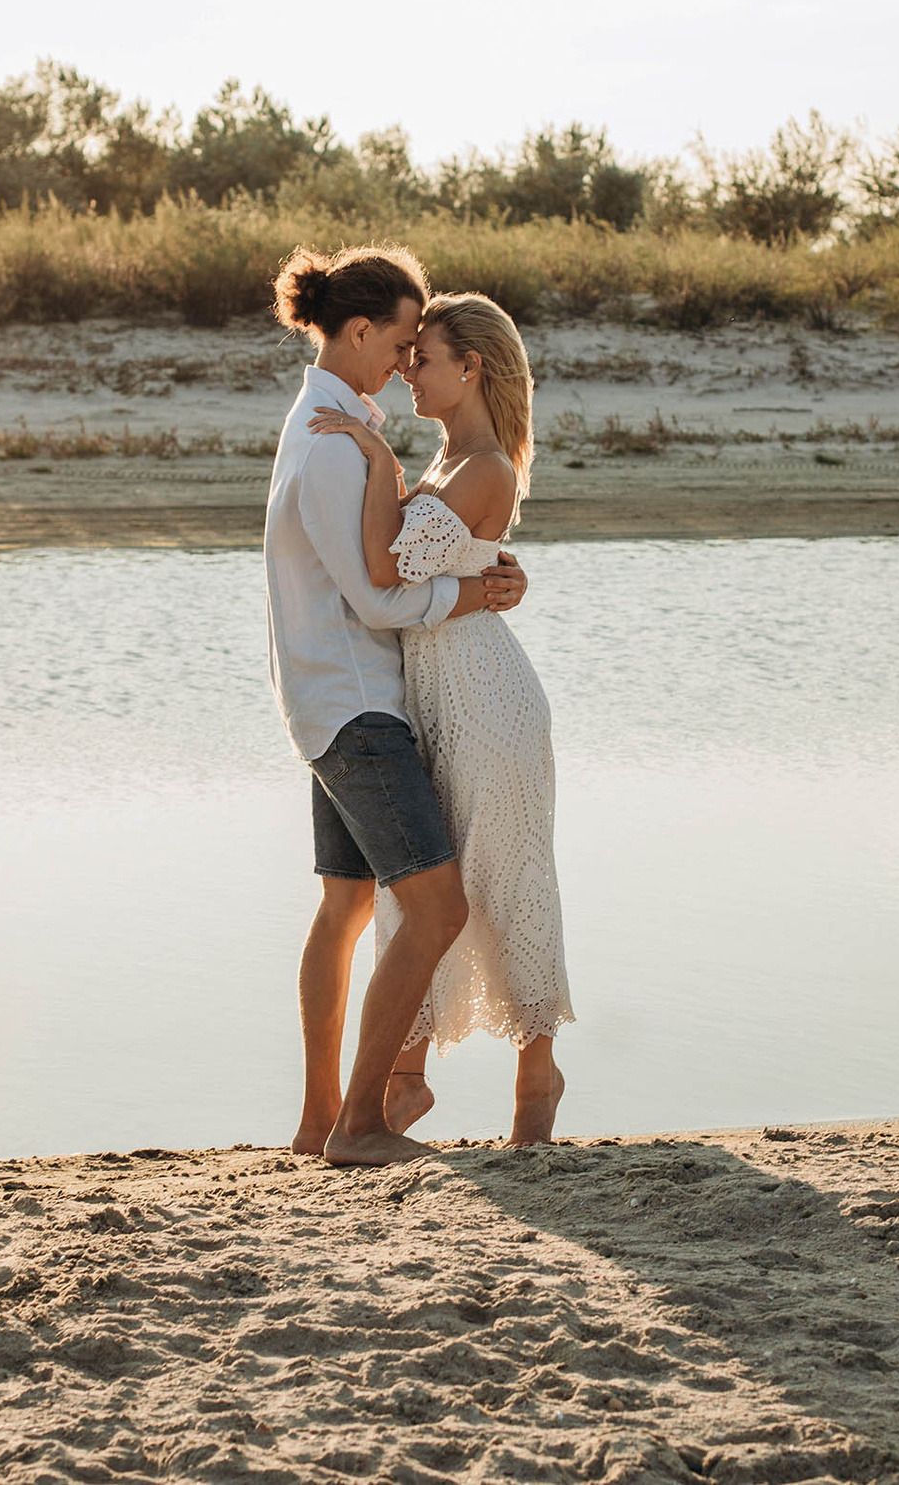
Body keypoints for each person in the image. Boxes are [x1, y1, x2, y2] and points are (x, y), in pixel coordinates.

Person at [264, 244, 527, 1167]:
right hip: (360, 711)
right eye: (403, 340)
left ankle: (316, 1120)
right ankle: (361, 1123)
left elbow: (407, 545)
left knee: (344, 907)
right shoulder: (336, 443)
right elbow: (379, 595)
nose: (406, 360)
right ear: (362, 329)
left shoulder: (326, 425)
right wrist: (473, 595)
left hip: (329, 703)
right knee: (438, 909)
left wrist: (484, 567)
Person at [307, 291, 573, 1145]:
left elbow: (389, 564)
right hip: (432, 701)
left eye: (424, 356)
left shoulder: (487, 465)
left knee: (508, 879)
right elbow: (441, 567)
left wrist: (379, 456)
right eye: (407, 351)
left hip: (490, 705)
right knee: (421, 887)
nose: (408, 367)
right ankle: (406, 1079)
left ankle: (537, 1074)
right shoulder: (450, 461)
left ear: (471, 369)